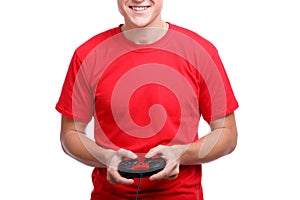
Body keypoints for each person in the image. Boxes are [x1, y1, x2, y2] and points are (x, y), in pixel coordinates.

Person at [56, 0, 239, 199]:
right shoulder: (87, 54)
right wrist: (106, 157)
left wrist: (182, 153)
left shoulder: (200, 52)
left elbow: (227, 133)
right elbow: (70, 134)